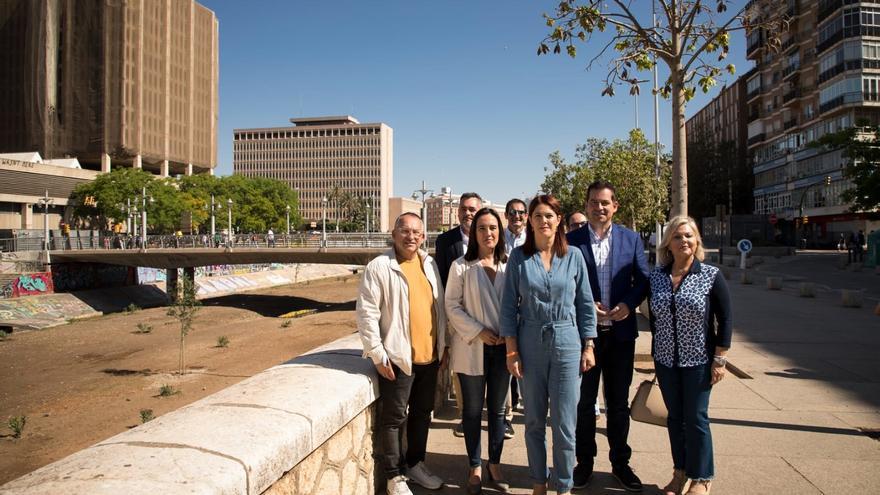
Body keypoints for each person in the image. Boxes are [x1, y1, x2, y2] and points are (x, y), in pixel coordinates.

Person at [501, 194, 597, 495]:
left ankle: (564, 485)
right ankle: (539, 483)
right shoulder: (519, 257)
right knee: (533, 420)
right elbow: (508, 309)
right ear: (530, 220)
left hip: (567, 342)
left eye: (549, 216)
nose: (544, 221)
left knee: (565, 422)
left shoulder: (575, 256)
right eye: (538, 215)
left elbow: (585, 305)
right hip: (529, 341)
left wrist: (589, 345)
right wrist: (512, 350)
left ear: (559, 220)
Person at [356, 212, 448, 495]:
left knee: (422, 414)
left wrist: (443, 346)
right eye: (405, 231)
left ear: (423, 237)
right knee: (394, 419)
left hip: (429, 357)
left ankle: (415, 465)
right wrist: (376, 352)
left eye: (417, 233)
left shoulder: (429, 264)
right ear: (394, 234)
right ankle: (394, 476)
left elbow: (438, 309)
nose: (411, 237)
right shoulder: (379, 266)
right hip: (398, 358)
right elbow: (367, 312)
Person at [568, 180, 650, 492]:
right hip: (584, 337)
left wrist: (629, 305)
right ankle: (584, 463)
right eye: (593, 202)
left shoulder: (631, 240)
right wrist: (587, 304)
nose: (599, 208)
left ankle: (620, 463)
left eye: (605, 203)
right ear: (586, 205)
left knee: (617, 403)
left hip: (621, 335)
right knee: (584, 403)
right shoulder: (571, 240)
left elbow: (643, 279)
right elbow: (565, 281)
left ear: (614, 206)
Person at [649, 216, 732, 495]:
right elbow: (655, 319)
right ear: (668, 244)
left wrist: (720, 359)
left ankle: (702, 477)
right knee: (674, 418)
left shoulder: (710, 275)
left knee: (696, 418)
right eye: (677, 236)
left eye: (689, 236)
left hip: (698, 360)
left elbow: (726, 319)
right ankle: (680, 473)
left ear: (697, 241)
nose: (683, 241)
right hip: (665, 360)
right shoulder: (657, 276)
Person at [445, 207, 510, 494]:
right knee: (472, 411)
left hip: (503, 349)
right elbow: (451, 306)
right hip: (472, 347)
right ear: (474, 233)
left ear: (501, 231)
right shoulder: (461, 265)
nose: (488, 233)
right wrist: (479, 331)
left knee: (497, 411)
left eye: (493, 228)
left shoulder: (511, 264)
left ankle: (494, 463)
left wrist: (508, 336)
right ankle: (474, 465)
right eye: (482, 228)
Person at [435, 192, 483, 438]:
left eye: (473, 209)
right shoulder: (445, 241)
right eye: (464, 209)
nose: (468, 213)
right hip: (456, 316)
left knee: (492, 368)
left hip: (486, 315)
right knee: (461, 368)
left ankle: (500, 416)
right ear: (458, 212)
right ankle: (466, 415)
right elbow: (441, 280)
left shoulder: (491, 236)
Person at [503, 198, 529, 436]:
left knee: (526, 362)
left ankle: (529, 407)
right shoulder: (498, 238)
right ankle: (506, 416)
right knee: (508, 359)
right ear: (506, 216)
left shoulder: (534, 240)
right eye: (513, 212)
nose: (517, 217)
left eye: (521, 212)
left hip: (529, 310)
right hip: (506, 307)